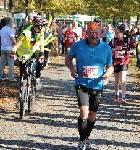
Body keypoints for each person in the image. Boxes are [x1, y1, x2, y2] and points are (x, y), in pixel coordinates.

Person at [65, 22, 113, 150]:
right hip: (81, 83)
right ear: (86, 33)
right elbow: (68, 59)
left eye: (96, 32)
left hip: (97, 85)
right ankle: (81, 141)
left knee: (92, 114)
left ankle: (86, 138)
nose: (94, 35)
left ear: (101, 33)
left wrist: (107, 75)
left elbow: (110, 66)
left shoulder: (106, 48)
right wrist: (72, 69)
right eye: (91, 32)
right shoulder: (78, 45)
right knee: (84, 111)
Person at [11, 15, 48, 88]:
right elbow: (16, 45)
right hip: (23, 53)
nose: (45, 28)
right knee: (23, 69)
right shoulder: (26, 33)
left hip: (33, 51)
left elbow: (41, 44)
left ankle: (37, 78)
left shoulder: (41, 33)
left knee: (41, 62)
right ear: (39, 26)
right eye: (44, 26)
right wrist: (13, 53)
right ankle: (22, 87)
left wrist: (42, 54)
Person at [109, 25, 134, 103]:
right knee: (116, 80)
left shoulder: (128, 40)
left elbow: (133, 48)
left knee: (122, 79)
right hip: (116, 62)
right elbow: (109, 50)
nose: (116, 34)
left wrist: (131, 51)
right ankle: (116, 95)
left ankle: (123, 97)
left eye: (117, 32)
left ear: (122, 33)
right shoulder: (113, 40)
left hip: (124, 62)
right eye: (115, 32)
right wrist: (116, 48)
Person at [0, 17, 16, 81]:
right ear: (9, 22)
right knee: (11, 63)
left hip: (3, 48)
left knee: (1, 63)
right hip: (9, 48)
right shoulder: (10, 30)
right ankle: (11, 77)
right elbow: (12, 40)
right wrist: (15, 45)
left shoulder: (2, 29)